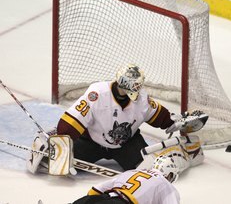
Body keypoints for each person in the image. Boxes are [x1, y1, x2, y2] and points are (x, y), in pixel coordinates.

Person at [55, 63, 207, 171]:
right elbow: (71, 122)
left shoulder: (141, 98)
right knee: (57, 160)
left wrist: (175, 121)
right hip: (92, 142)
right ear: (122, 84)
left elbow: (158, 116)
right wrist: (61, 139)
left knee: (149, 170)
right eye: (134, 86)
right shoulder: (97, 94)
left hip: (127, 144)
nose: (137, 90)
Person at [72, 155, 180, 204]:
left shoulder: (133, 171)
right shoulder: (165, 184)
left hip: (106, 196)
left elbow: (96, 189)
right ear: (169, 174)